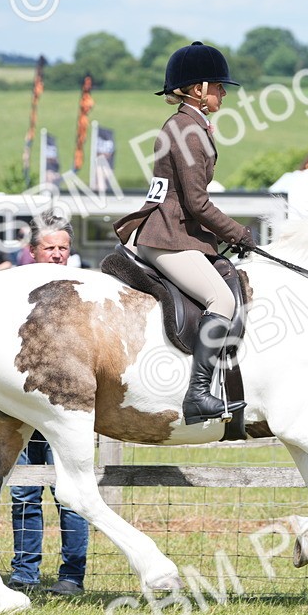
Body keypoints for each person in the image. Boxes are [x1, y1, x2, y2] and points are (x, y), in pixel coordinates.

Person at [113, 40, 253, 425]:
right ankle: (198, 395)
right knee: (221, 301)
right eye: (219, 86)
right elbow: (196, 203)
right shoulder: (188, 131)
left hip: (173, 232)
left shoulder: (186, 125)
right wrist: (239, 233)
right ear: (198, 90)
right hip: (168, 236)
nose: (224, 93)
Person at [7, 211, 90, 597]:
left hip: (70, 407)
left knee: (71, 492)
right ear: (33, 251)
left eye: (63, 248)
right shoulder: (10, 289)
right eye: (50, 248)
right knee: (24, 490)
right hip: (24, 405)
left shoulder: (85, 287)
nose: (57, 254)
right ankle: (24, 574)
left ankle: (72, 576)